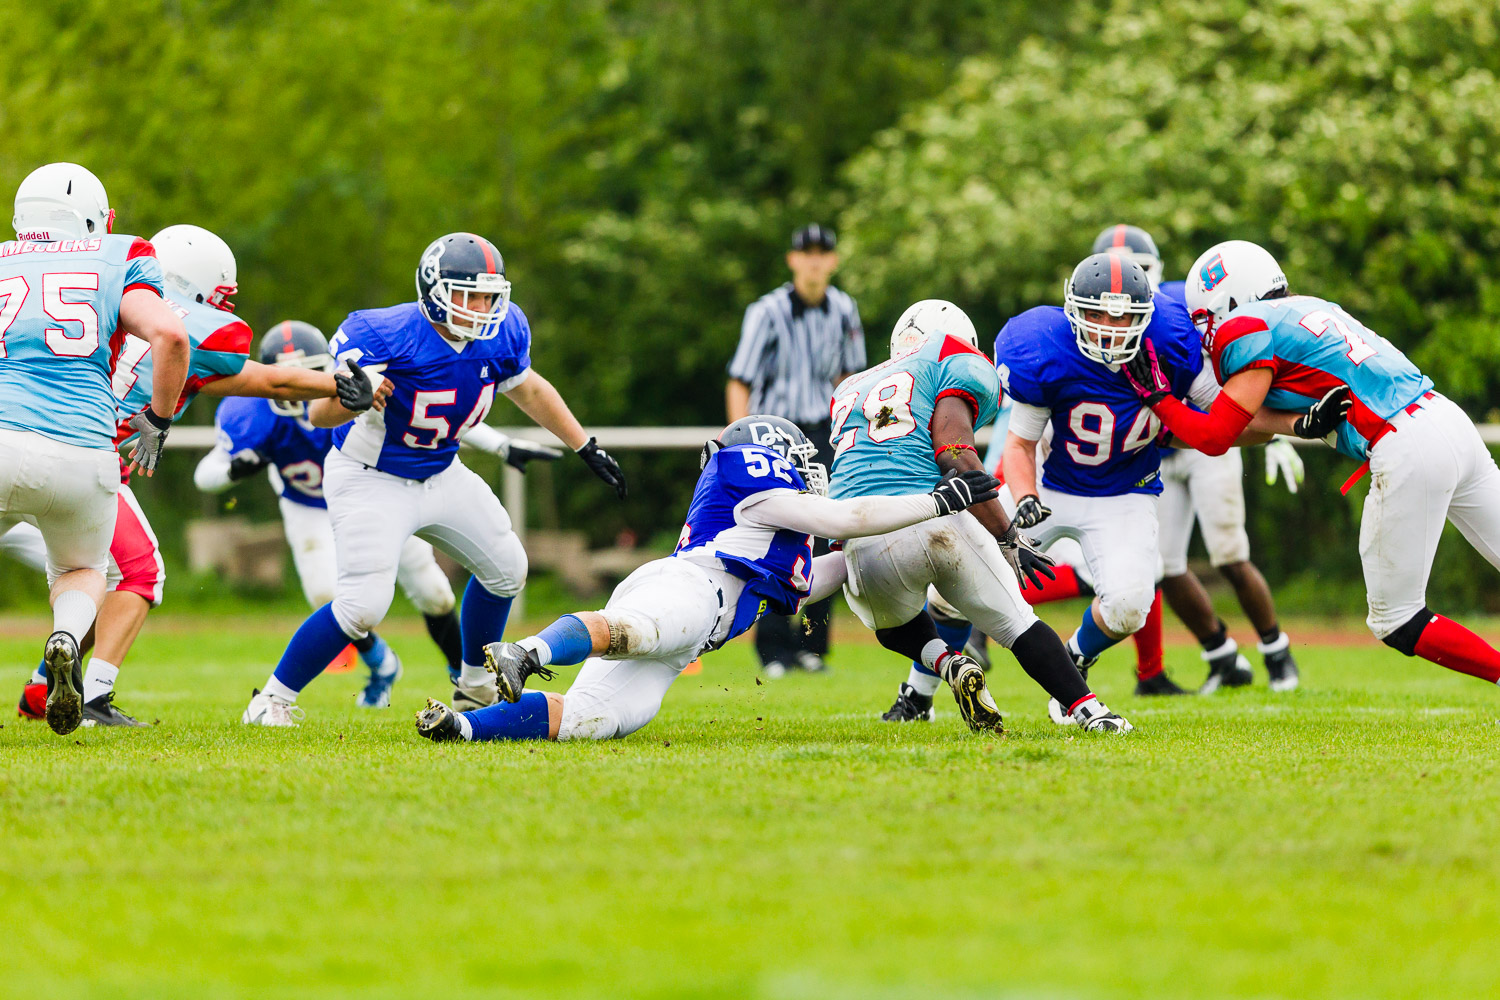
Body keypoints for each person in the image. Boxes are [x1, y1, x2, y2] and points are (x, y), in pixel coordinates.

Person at [415, 416, 1002, 742]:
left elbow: (840, 564)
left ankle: (460, 726)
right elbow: (841, 518)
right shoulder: (750, 477)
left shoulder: (779, 540)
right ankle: (525, 650)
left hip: (695, 628)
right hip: (691, 589)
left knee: (596, 720)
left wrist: (903, 553)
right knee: (637, 629)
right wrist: (938, 500)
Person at [244, 232, 627, 726]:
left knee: (508, 567)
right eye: (470, 294)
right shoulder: (382, 332)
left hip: (441, 470)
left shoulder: (504, 330)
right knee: (363, 606)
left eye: (490, 295)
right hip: (370, 476)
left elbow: (527, 388)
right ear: (434, 290)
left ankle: (473, 687)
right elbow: (319, 415)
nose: (483, 307)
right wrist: (354, 397)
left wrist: (583, 444)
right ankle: (271, 699)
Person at [8, 224, 381, 725]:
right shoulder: (189, 326)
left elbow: (259, 377)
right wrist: (338, 380)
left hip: (20, 449)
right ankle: (93, 696)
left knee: (105, 575)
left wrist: (329, 382)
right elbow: (264, 376)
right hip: (81, 465)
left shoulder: (99, 295)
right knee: (139, 572)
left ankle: (41, 688)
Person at [1125, 239, 1500, 687]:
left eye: (1203, 318)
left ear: (1224, 302)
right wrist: (1299, 424)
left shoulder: (1243, 326)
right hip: (1447, 419)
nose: (1204, 331)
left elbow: (1215, 436)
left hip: (1406, 445)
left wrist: (1158, 399)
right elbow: (1253, 421)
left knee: (1396, 619)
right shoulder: (1311, 307)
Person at [195, 320, 562, 705]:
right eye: (289, 375)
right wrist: (234, 469)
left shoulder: (356, 384)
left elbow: (433, 414)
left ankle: (466, 680)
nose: (299, 384)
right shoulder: (251, 413)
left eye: (311, 372)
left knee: (434, 592)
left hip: (386, 492)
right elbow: (206, 474)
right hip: (310, 507)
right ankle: (378, 663)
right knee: (331, 596)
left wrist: (502, 445)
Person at [833, 299, 1132, 733]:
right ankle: (1091, 712)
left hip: (862, 534)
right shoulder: (954, 358)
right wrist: (1006, 533)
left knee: (892, 627)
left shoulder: (849, 387)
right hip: (932, 514)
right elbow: (954, 452)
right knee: (1018, 623)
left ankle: (948, 662)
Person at [0, 162, 190, 735]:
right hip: (83, 450)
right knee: (85, 567)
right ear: (91, 218)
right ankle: (65, 635)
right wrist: (156, 419)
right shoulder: (117, 255)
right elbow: (171, 336)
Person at [998, 253, 1225, 724]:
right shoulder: (1044, 346)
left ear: (1146, 316)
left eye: (1124, 316)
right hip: (1049, 489)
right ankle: (919, 691)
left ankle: (1074, 660)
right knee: (956, 580)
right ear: (1072, 310)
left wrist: (1282, 424)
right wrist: (1024, 500)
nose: (1111, 327)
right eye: (1098, 313)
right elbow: (1019, 445)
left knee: (1127, 608)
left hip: (1126, 493)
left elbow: (1215, 422)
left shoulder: (1172, 340)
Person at [1095, 224, 1302, 692]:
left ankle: (1276, 652)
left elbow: (1245, 361)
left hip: (1213, 436)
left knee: (1230, 554)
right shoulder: (1097, 323)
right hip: (1159, 447)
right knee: (1164, 567)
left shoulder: (1179, 300)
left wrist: (1273, 428)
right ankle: (1223, 656)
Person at [726, 223, 865, 677]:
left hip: (824, 431)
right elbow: (740, 379)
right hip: (772, 434)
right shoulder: (766, 311)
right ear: (792, 260)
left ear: (834, 260)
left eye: (822, 253)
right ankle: (773, 649)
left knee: (828, 536)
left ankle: (814, 646)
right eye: (806, 253)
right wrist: (735, 440)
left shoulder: (844, 308)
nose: (814, 261)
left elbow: (849, 380)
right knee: (776, 536)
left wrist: (852, 437)